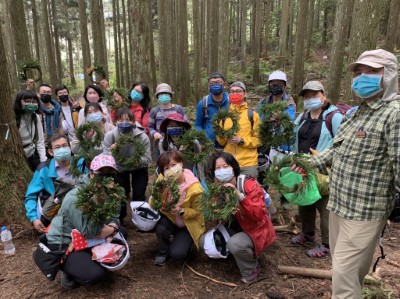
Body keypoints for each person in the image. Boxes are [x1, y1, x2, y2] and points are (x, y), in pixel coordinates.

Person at [294, 49, 400, 298]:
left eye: (372, 71)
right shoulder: (357, 112)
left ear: (390, 74)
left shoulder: (394, 115)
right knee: (350, 272)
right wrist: (308, 163)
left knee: (342, 278)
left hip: (365, 212)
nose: (363, 77)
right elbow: (336, 151)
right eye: (359, 72)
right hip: (339, 204)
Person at [46, 153, 122, 289]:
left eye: (110, 172)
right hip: (63, 242)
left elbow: (115, 217)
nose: (105, 177)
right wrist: (107, 227)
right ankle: (67, 270)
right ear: (92, 173)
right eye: (101, 172)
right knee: (95, 275)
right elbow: (89, 232)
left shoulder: (112, 191)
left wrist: (112, 228)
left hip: (87, 235)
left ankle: (87, 257)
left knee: (122, 234)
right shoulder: (76, 196)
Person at [200, 152, 275, 283]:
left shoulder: (248, 184)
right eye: (218, 168)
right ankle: (236, 253)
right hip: (234, 227)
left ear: (233, 167)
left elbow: (258, 214)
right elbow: (214, 213)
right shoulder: (218, 188)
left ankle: (251, 269)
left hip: (255, 229)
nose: (221, 171)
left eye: (225, 166)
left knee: (235, 244)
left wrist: (240, 196)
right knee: (204, 242)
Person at [291, 81, 343, 258]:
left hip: (325, 171)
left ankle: (328, 243)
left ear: (324, 95)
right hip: (303, 169)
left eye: (314, 95)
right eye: (306, 96)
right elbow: (294, 137)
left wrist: (323, 156)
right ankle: (308, 234)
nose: (310, 99)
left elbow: (342, 145)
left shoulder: (333, 117)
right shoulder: (302, 117)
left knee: (326, 207)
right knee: (305, 202)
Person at [149, 150, 205, 266]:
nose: (171, 170)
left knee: (177, 254)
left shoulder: (195, 187)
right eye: (166, 168)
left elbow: (198, 211)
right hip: (170, 218)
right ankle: (163, 252)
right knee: (161, 228)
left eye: (173, 165)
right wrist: (159, 191)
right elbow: (153, 204)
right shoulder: (162, 180)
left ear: (181, 163)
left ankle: (186, 244)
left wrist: (182, 211)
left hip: (187, 223)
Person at [24, 135, 85, 233]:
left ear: (70, 147)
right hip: (59, 214)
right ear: (51, 152)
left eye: (65, 146)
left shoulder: (81, 163)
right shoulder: (44, 169)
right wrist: (34, 218)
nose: (62, 149)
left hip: (82, 209)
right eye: (57, 147)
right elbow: (31, 196)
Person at [103, 108, 151, 224]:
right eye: (121, 120)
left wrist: (135, 161)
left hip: (139, 167)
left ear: (133, 122)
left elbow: (147, 158)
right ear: (116, 122)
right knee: (121, 193)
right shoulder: (110, 136)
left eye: (128, 120)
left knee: (139, 192)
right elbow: (106, 156)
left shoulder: (142, 137)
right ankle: (120, 219)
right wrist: (113, 152)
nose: (124, 123)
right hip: (119, 168)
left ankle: (140, 218)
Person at [216, 82, 262, 178]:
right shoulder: (224, 116)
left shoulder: (252, 115)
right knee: (229, 190)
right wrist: (223, 136)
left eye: (238, 91)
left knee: (249, 190)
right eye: (232, 91)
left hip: (248, 162)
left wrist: (241, 140)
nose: (234, 94)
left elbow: (259, 140)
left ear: (245, 94)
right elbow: (221, 142)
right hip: (228, 162)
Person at [148, 83, 187, 160]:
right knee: (161, 165)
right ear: (157, 97)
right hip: (160, 143)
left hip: (177, 143)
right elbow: (150, 127)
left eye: (166, 94)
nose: (163, 96)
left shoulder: (178, 109)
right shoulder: (154, 111)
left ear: (170, 95)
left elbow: (186, 124)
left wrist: (185, 140)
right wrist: (155, 133)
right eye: (161, 94)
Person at [194, 72, 230, 150]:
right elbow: (198, 125)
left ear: (224, 84)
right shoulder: (203, 103)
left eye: (218, 82)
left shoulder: (230, 101)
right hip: (209, 145)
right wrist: (203, 138)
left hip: (229, 144)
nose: (215, 85)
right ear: (208, 86)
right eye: (212, 83)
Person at [14, 90, 47, 171]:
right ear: (20, 102)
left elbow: (40, 140)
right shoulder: (13, 118)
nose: (31, 104)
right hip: (18, 156)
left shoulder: (35, 117)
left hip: (32, 153)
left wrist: (43, 161)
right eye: (27, 102)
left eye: (34, 102)